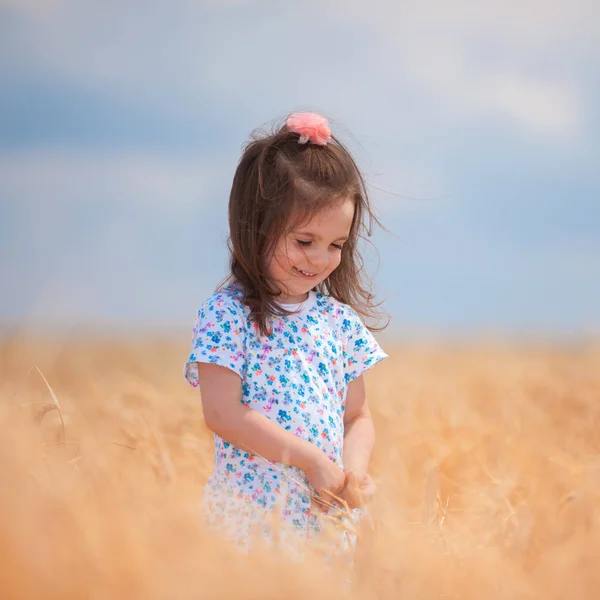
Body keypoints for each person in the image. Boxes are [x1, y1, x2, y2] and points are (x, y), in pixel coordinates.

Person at [183, 112, 388, 557]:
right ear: (256, 225)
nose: (319, 258)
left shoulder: (339, 323)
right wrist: (312, 462)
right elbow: (221, 412)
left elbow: (358, 418)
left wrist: (350, 474)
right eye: (304, 240)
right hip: (249, 524)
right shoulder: (227, 314)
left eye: (336, 245)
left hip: (325, 527)